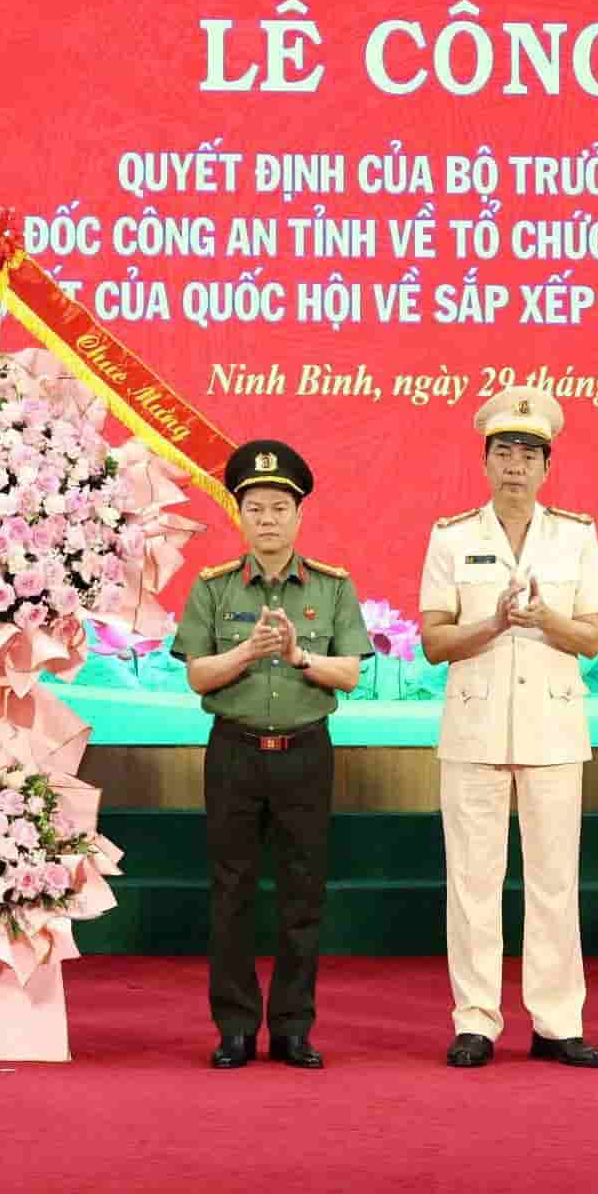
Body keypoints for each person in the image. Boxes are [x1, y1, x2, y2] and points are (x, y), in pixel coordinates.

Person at [420, 387, 598, 1070]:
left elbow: (591, 637)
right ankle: (475, 1018)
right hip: (473, 727)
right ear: (485, 461)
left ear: (546, 467)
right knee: (473, 878)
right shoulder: (452, 536)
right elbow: (434, 642)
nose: (514, 464)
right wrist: (496, 622)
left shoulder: (577, 535)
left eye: (528, 453)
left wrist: (543, 622)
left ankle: (558, 1020)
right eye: (503, 451)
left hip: (554, 727)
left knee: (555, 878)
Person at [171, 440, 367, 1070]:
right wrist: (248, 653)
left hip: (306, 754)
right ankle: (233, 1028)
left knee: (302, 894)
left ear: (298, 514)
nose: (268, 518)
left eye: (280, 507)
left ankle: (292, 1028)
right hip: (234, 751)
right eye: (255, 507)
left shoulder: (333, 587)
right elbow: (200, 675)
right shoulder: (213, 588)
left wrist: (299, 655)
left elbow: (349, 675)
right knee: (229, 892)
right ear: (241, 515)